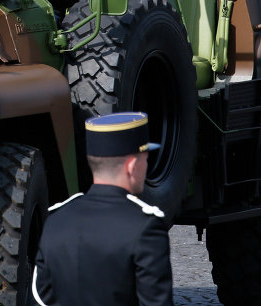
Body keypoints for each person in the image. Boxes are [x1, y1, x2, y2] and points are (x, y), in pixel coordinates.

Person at [32, 112, 173, 306]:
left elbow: (41, 297)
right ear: (132, 166)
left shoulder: (56, 220)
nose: (147, 165)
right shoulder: (145, 227)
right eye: (145, 158)